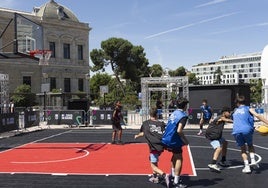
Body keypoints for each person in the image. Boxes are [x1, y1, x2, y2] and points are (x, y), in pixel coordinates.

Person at [232, 95, 268, 173]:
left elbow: (238, 121)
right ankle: (253, 160)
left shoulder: (235, 111)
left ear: (237, 103)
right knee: (250, 145)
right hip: (246, 130)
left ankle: (247, 167)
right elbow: (258, 115)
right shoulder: (248, 108)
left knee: (243, 148)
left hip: (236, 131)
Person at [134, 107, 169, 187]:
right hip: (161, 146)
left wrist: (137, 135)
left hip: (153, 147)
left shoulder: (146, 123)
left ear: (149, 114)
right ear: (157, 114)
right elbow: (165, 133)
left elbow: (143, 133)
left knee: (153, 165)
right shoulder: (161, 124)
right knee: (153, 160)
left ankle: (164, 175)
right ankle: (155, 177)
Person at [162, 97, 189, 188]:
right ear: (185, 106)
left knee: (174, 155)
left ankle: (173, 175)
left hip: (166, 138)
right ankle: (176, 182)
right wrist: (185, 140)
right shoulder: (183, 115)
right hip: (173, 139)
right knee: (179, 159)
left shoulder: (174, 113)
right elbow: (179, 130)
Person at [205, 107, 233, 172]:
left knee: (225, 143)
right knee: (219, 148)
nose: (230, 114)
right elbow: (227, 120)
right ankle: (213, 163)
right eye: (229, 112)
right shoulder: (221, 117)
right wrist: (237, 121)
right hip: (212, 135)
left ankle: (223, 161)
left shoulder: (222, 117)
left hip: (216, 135)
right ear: (224, 112)